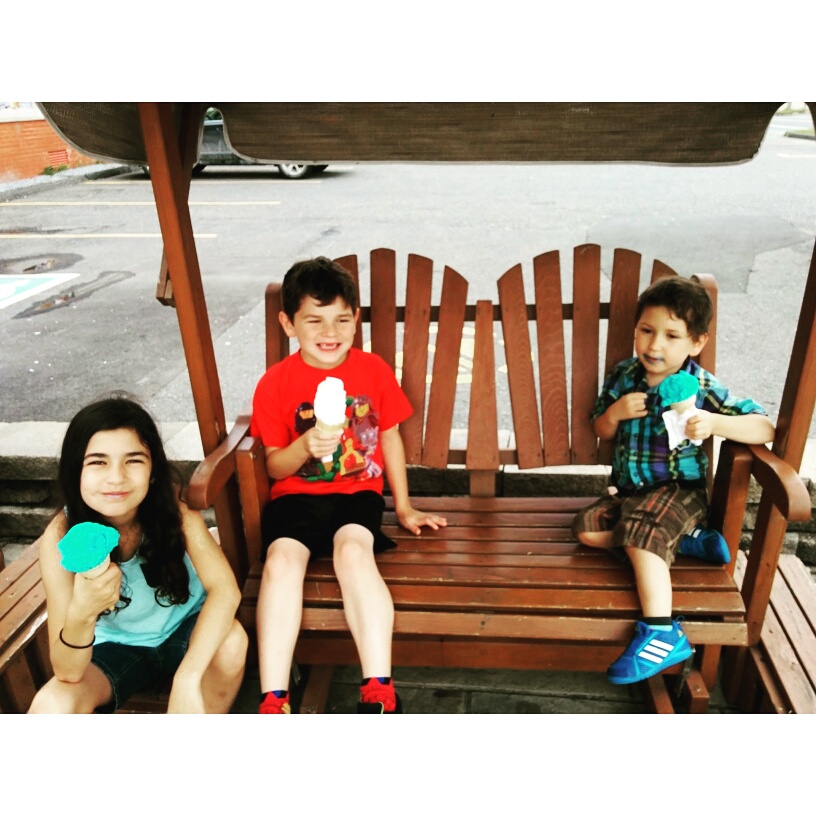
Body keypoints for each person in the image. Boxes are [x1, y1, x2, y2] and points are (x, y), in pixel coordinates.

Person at [250, 256, 447, 713]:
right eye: (314, 320)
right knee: (280, 563)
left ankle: (379, 689)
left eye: (342, 319)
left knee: (354, 553)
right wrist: (304, 446)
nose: (330, 331)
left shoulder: (373, 371)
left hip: (357, 495)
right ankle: (274, 698)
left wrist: (403, 507)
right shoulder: (274, 384)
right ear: (288, 324)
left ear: (356, 319)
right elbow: (275, 467)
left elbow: (390, 437)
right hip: (295, 497)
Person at [571, 276, 774, 685]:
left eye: (671, 335)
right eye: (646, 331)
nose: (655, 345)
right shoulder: (623, 376)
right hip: (630, 493)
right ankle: (684, 540)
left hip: (679, 491)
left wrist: (714, 422)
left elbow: (764, 426)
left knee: (640, 532)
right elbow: (600, 429)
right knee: (587, 531)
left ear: (696, 342)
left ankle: (662, 632)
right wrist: (614, 414)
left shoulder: (699, 386)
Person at [28, 396, 248, 713]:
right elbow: (68, 671)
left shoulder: (176, 512)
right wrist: (82, 612)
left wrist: (187, 678)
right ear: (75, 472)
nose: (116, 477)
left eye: (133, 460)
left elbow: (225, 590)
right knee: (50, 705)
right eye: (98, 462)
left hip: (186, 628)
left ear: (153, 470)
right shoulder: (60, 538)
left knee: (232, 643)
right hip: (113, 647)